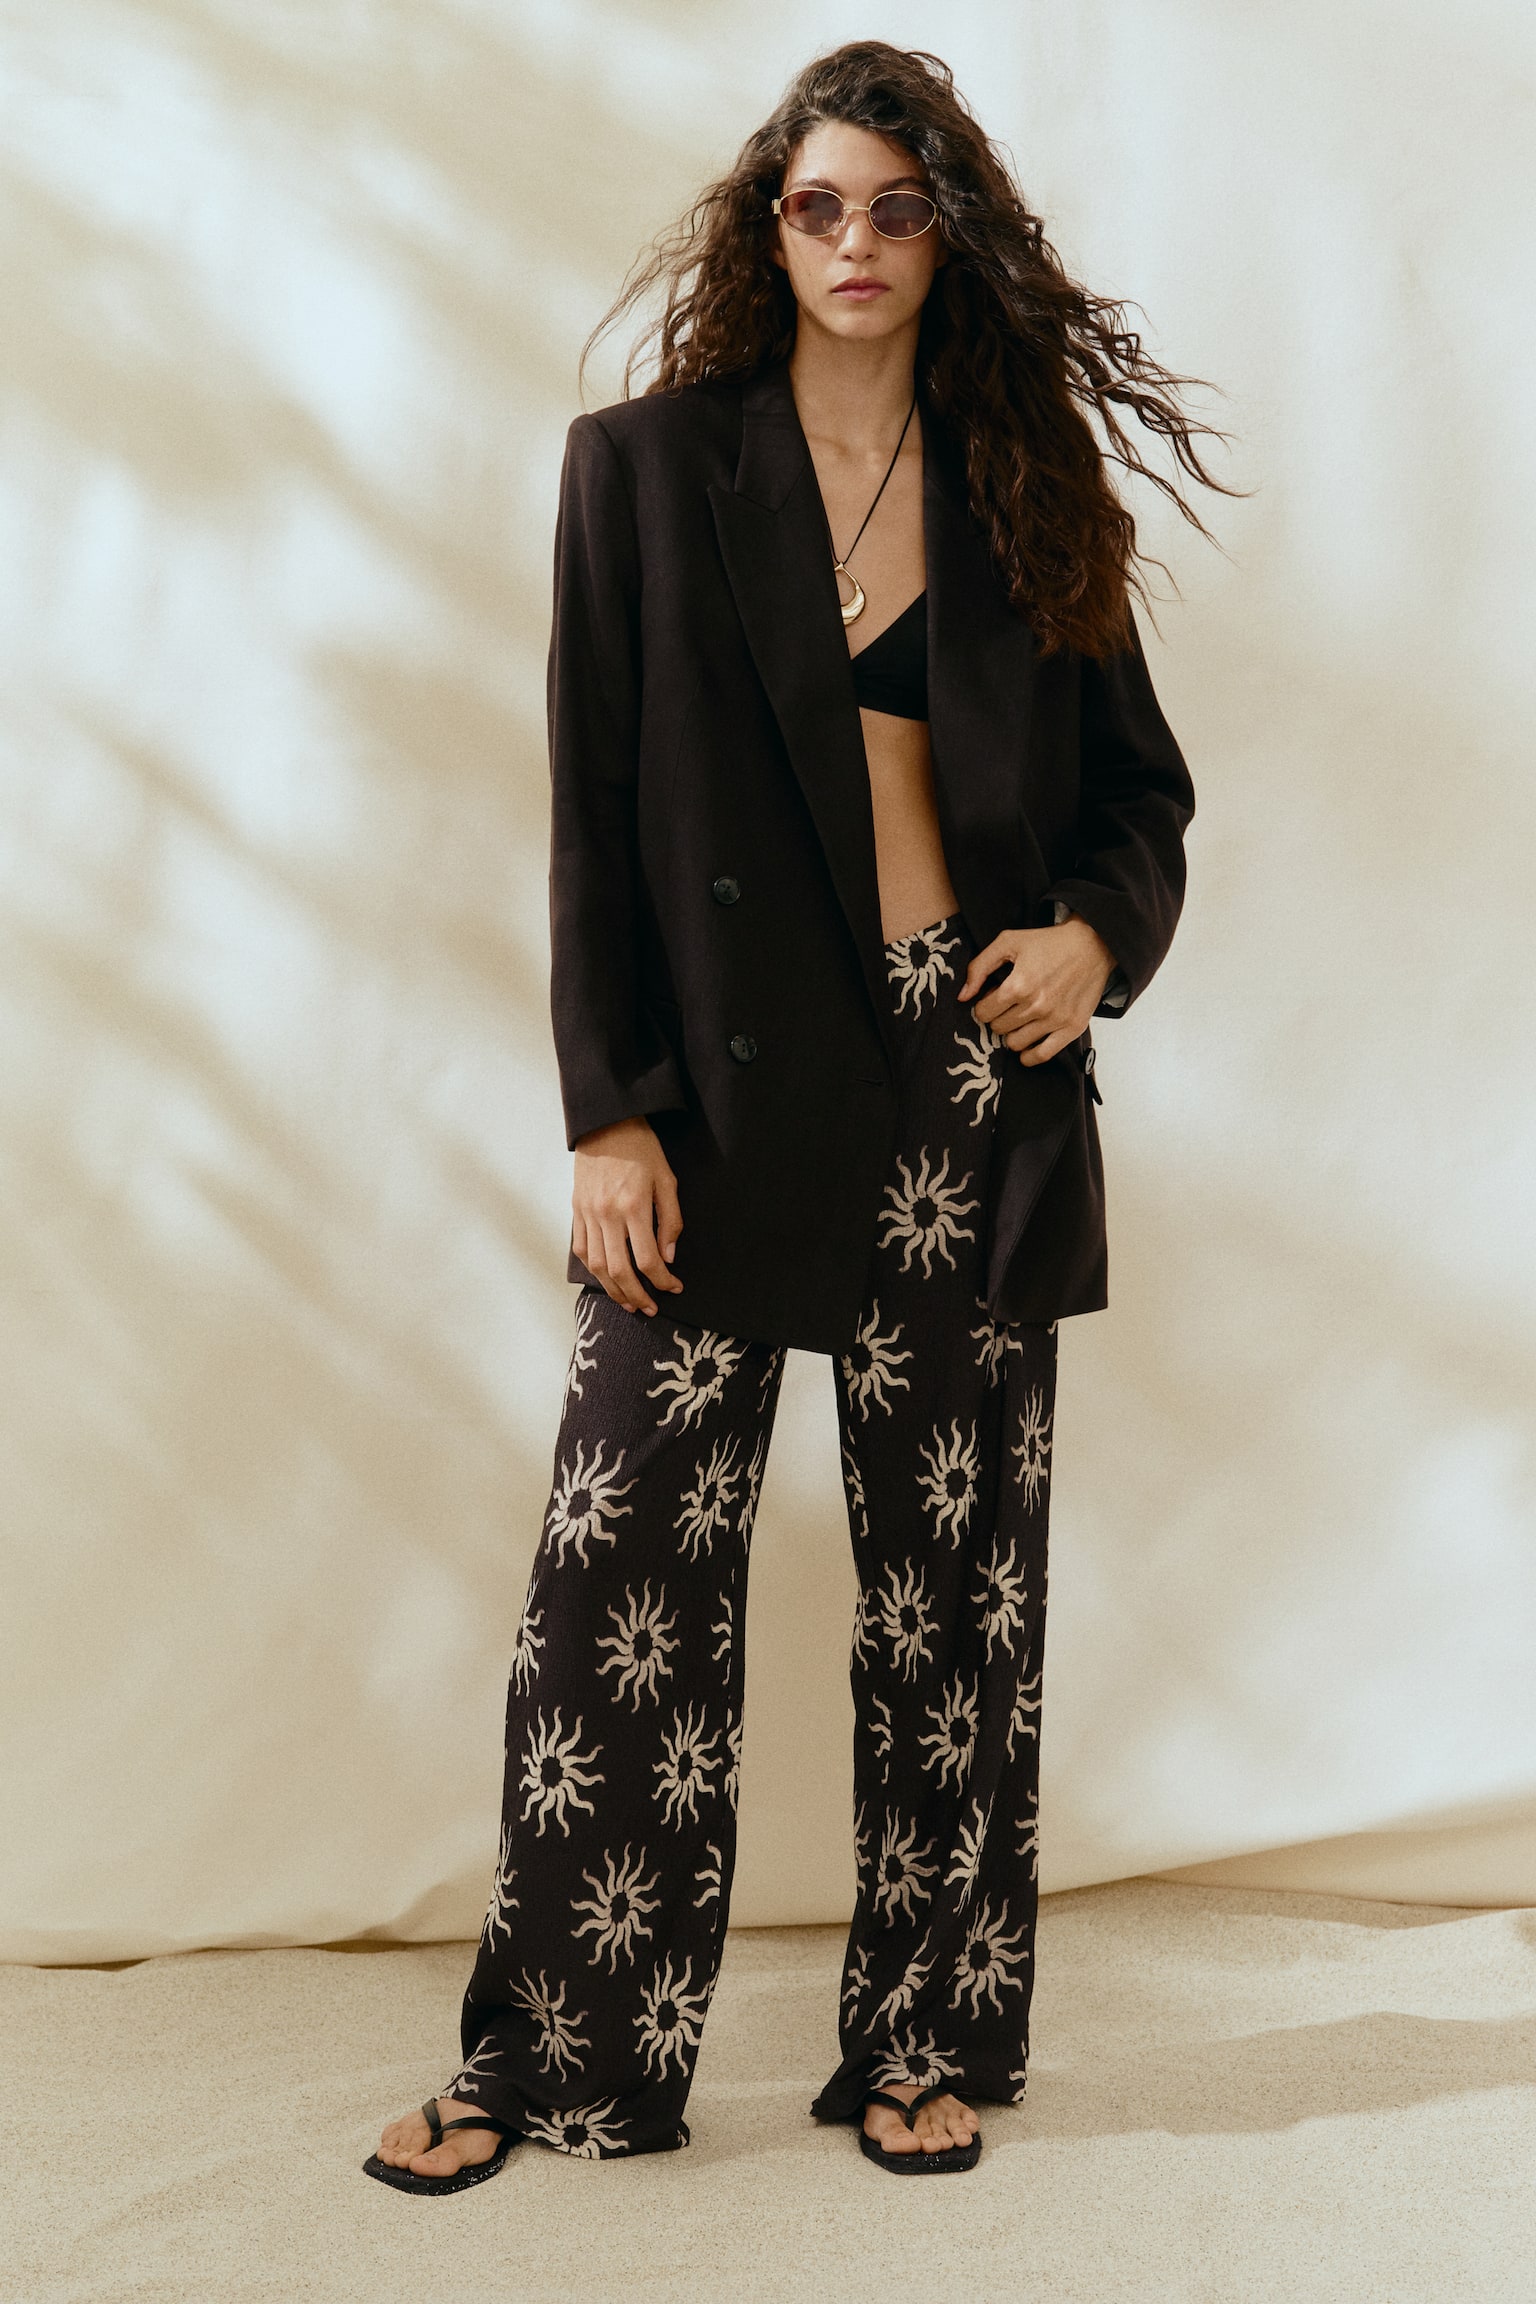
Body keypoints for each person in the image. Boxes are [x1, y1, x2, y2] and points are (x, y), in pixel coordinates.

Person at [367, 38, 1226, 2193]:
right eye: (818, 204)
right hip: (715, 1108)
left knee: (956, 1592)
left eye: (897, 208)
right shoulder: (648, 468)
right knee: (623, 1568)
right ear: (769, 227)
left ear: (953, 234)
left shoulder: (1027, 485)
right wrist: (612, 1112)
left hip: (967, 1079)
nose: (856, 241)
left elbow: (1142, 798)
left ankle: (927, 2036)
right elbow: (592, 811)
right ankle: (557, 2055)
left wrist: (1092, 944)